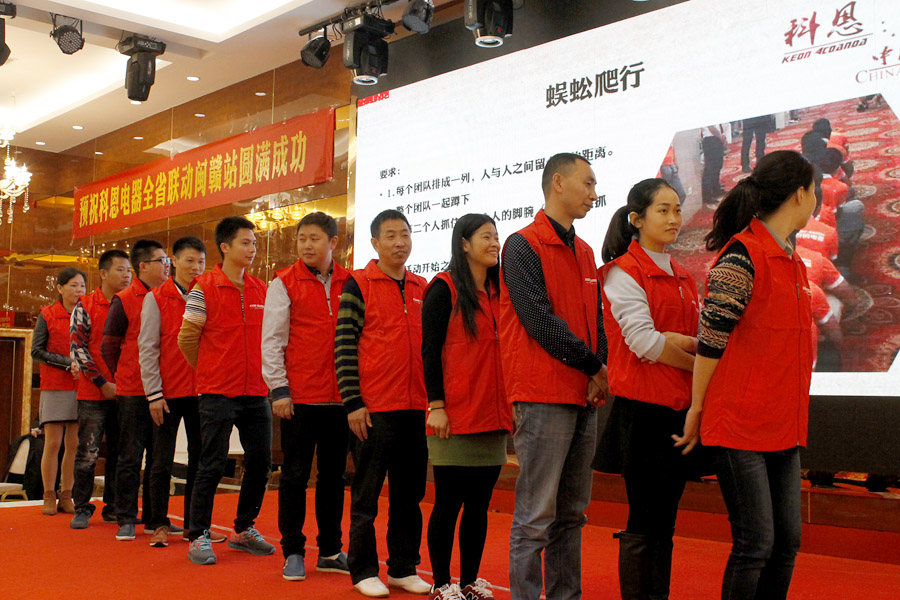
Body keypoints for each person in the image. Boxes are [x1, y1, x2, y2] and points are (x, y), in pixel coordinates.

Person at [674, 150, 816, 600]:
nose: (814, 200)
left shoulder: (792, 259)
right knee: (756, 543)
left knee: (787, 542)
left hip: (783, 425)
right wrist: (697, 408)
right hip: (739, 425)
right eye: (813, 191)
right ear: (800, 194)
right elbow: (711, 341)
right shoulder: (742, 256)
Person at [501, 153, 608, 600]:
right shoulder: (522, 245)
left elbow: (596, 320)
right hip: (542, 395)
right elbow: (539, 322)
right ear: (558, 183)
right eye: (588, 183)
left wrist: (599, 368)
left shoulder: (585, 251)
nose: (593, 193)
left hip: (582, 395)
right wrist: (594, 366)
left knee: (572, 515)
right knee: (535, 517)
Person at [596, 178, 702, 599]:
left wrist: (678, 343)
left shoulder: (683, 274)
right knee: (645, 519)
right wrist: (695, 362)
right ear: (636, 219)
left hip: (680, 410)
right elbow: (644, 343)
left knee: (665, 521)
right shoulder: (623, 272)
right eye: (663, 210)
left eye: (677, 209)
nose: (674, 218)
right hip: (643, 414)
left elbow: (691, 338)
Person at [335, 209, 431, 597]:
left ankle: (403, 567)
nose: (399, 242)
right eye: (390, 236)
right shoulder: (358, 284)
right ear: (374, 243)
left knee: (409, 495)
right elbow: (344, 345)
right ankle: (362, 570)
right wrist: (353, 402)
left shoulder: (422, 286)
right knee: (367, 495)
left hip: (415, 407)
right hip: (373, 409)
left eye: (405, 234)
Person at [421, 214, 512, 600]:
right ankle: (442, 583)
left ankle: (470, 581)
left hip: (494, 414)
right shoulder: (443, 288)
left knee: (479, 505)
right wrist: (436, 405)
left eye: (496, 236)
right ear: (464, 243)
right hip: (454, 415)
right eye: (486, 236)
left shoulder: (500, 289)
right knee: (448, 503)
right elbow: (429, 352)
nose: (494, 243)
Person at [179, 216, 275, 565]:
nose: (252, 249)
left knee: (261, 461)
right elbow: (187, 339)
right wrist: (210, 369)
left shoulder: (261, 289)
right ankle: (198, 535)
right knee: (212, 463)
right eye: (245, 243)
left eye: (254, 243)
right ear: (225, 246)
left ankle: (244, 529)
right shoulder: (203, 287)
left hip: (256, 391)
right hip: (217, 391)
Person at [261, 212, 351, 581]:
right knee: (295, 476)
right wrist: (279, 389)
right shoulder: (283, 282)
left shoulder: (352, 282)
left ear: (333, 242)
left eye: (314, 238)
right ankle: (293, 551)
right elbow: (272, 340)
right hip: (299, 399)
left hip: (341, 400)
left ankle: (330, 550)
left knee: (333, 478)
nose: (307, 245)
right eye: (302, 239)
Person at [139, 236, 226, 548]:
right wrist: (153, 393)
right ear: (173, 262)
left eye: (201, 262)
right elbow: (147, 348)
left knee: (201, 461)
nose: (196, 267)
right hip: (167, 393)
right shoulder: (156, 297)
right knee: (160, 461)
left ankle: (195, 526)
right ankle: (159, 523)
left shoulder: (209, 294)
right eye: (189, 261)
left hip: (203, 391)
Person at [102, 239, 170, 541]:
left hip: (165, 388)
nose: (167, 266)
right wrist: (123, 374)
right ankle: (126, 517)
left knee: (160, 457)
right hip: (132, 390)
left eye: (168, 260)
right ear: (143, 266)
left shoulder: (170, 295)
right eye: (161, 261)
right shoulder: (125, 299)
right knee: (130, 455)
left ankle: (156, 518)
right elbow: (109, 346)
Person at [69, 249, 132, 529]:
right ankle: (82, 507)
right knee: (88, 453)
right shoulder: (85, 305)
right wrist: (102, 383)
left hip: (126, 390)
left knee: (121, 452)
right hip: (94, 392)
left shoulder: (130, 303)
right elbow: (78, 348)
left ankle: (114, 507)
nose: (126, 275)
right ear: (103, 273)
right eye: (120, 270)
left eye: (129, 270)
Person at [32, 267, 86, 515]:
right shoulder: (47, 314)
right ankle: (48, 494)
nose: (79, 290)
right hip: (55, 384)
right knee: (52, 443)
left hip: (81, 384)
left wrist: (83, 365)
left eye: (82, 286)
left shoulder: (86, 314)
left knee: (74, 444)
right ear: (60, 288)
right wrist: (67, 363)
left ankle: (67, 494)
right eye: (73, 285)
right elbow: (37, 351)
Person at [701, 124, 727, 206]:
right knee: (710, 168)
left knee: (718, 166)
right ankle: (707, 195)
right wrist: (720, 137)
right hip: (710, 140)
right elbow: (711, 127)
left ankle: (716, 189)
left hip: (716, 138)